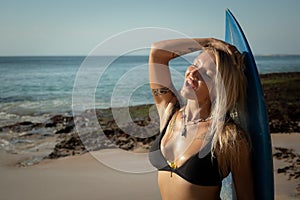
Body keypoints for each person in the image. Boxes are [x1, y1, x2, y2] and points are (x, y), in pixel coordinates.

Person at [148, 38, 254, 200]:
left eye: (207, 74)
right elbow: (157, 52)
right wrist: (211, 42)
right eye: (195, 64)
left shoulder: (228, 137)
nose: (193, 72)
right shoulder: (169, 111)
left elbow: (246, 197)